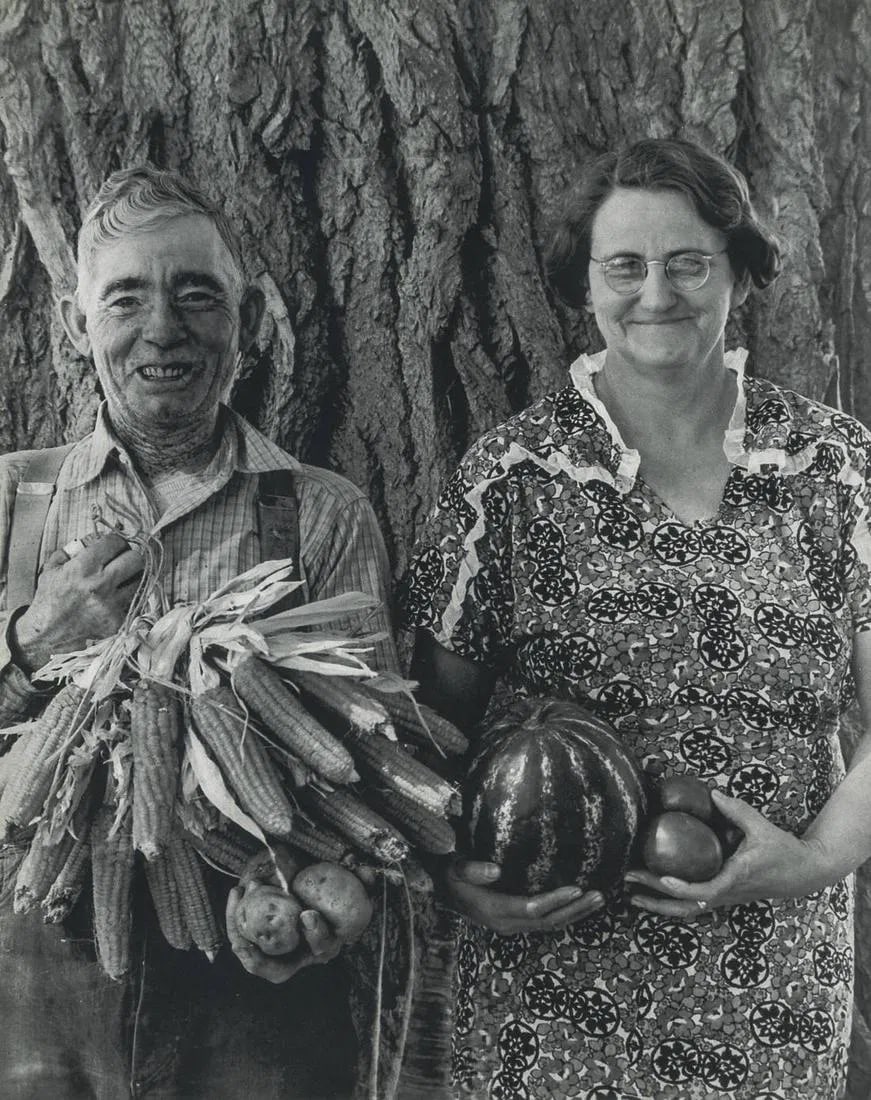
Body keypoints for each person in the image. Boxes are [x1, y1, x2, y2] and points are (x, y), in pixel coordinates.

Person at [400, 136, 871, 1098]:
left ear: (739, 271)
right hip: (551, 989)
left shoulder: (836, 470)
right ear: (584, 287)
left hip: (772, 986)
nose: (655, 292)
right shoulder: (511, 480)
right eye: (624, 265)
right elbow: (424, 734)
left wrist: (813, 859)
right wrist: (454, 881)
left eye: (688, 261)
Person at [0, 165, 406, 1099]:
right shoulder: (15, 499)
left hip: (249, 981)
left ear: (249, 320)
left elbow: (369, 770)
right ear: (76, 325)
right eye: (126, 298)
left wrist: (326, 899)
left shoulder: (321, 516)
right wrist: (35, 637)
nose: (163, 328)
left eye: (197, 295)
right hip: (26, 993)